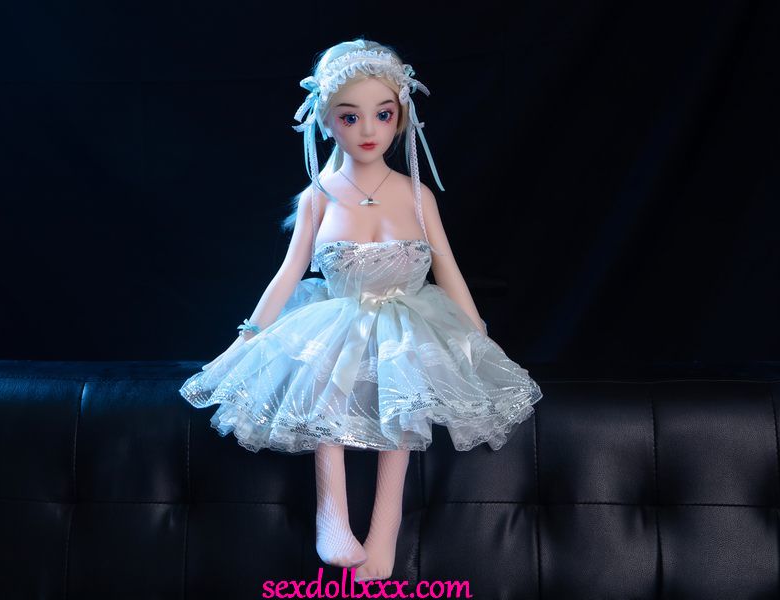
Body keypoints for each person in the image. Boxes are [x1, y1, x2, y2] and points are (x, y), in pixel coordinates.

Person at [179, 38, 543, 582]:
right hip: (338, 317)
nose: (368, 130)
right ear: (326, 121)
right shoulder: (318, 196)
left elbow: (447, 268)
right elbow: (289, 273)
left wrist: (478, 335)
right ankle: (331, 513)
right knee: (327, 390)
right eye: (350, 116)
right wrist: (247, 336)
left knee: (403, 401)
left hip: (409, 323)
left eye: (383, 114)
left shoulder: (417, 195)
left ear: (401, 117)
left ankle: (385, 526)